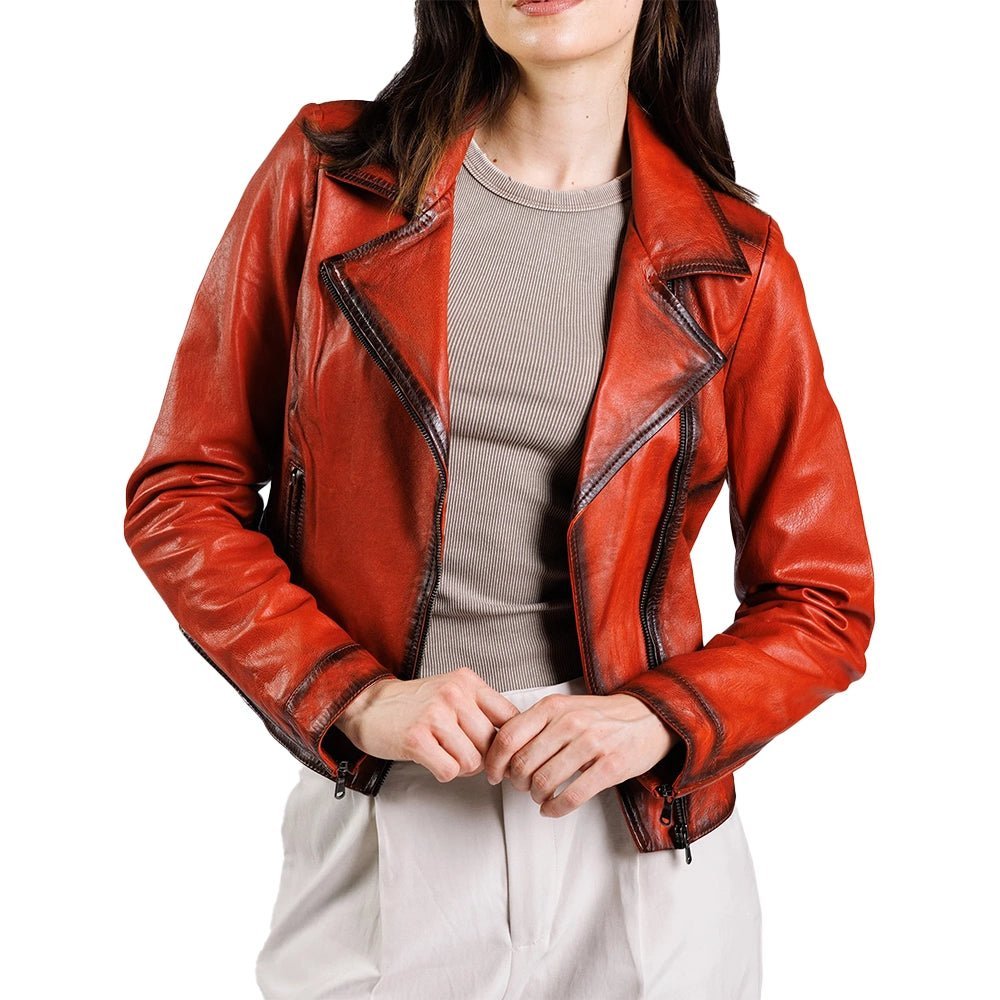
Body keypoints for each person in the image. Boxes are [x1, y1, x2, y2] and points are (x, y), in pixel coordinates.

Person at [123, 1, 876, 997]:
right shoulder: (331, 177)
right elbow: (185, 492)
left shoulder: (735, 265)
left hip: (640, 841)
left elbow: (823, 599)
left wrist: (656, 719)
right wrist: (355, 696)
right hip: (391, 803)